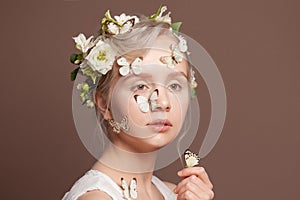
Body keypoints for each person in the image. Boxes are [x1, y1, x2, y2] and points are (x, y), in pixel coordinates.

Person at [63, 5, 214, 200]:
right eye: (141, 86)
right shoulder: (97, 197)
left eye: (175, 85)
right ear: (104, 104)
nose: (162, 102)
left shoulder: (172, 193)